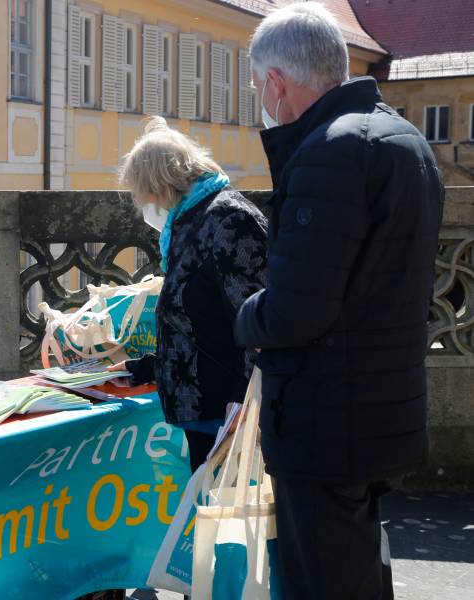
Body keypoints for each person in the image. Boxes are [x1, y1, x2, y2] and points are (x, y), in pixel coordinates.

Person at [234, 4, 444, 599]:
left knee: (323, 582)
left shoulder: (331, 151)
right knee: (360, 575)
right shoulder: (403, 138)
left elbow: (295, 310)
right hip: (382, 409)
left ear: (277, 82)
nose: (261, 102)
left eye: (258, 88)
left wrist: (244, 315)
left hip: (327, 422)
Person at [112, 116, 268, 474]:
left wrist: (242, 397)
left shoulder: (228, 218)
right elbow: (192, 320)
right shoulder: (188, 218)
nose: (147, 205)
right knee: (206, 513)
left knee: (220, 518)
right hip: (199, 401)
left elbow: (255, 318)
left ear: (162, 184)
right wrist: (144, 368)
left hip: (223, 406)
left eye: (146, 193)